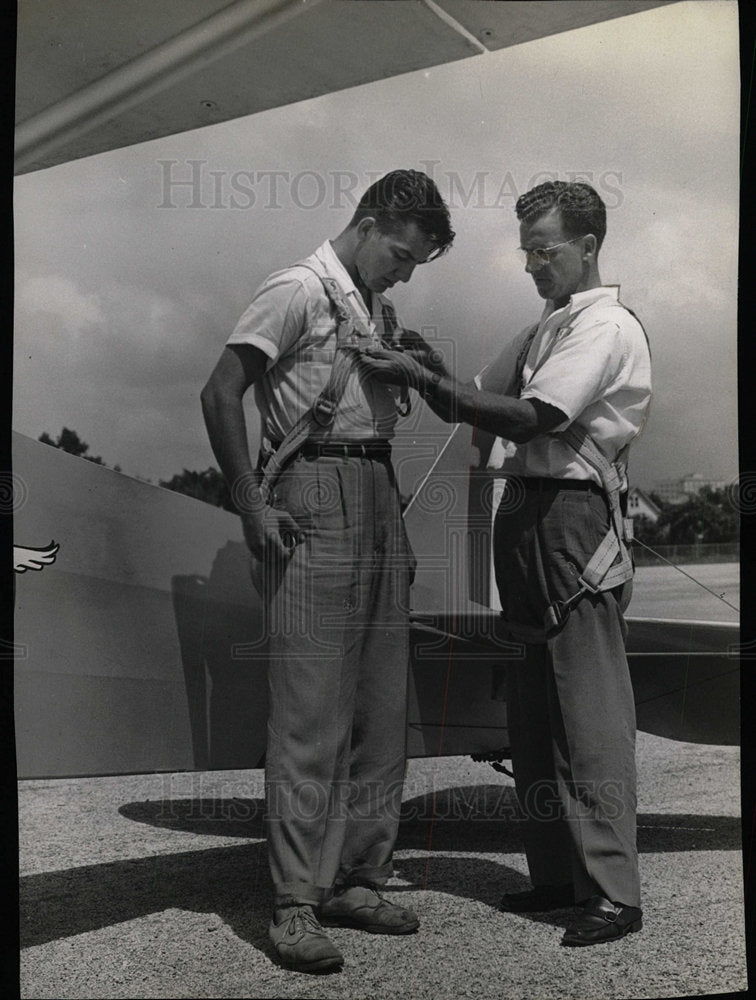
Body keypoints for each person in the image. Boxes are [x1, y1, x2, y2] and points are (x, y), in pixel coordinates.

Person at [357, 180, 651, 947]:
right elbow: (476, 393)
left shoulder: (606, 326)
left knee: (587, 712)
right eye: (525, 252)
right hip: (524, 513)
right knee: (533, 711)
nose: (531, 265)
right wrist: (415, 352)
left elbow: (532, 416)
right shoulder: (542, 329)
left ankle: (615, 893)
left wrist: (424, 380)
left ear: (587, 247)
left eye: (544, 251)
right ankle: (557, 878)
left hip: (572, 517)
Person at [201, 170, 454, 972]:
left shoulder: (373, 306)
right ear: (372, 222)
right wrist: (249, 504)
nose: (407, 273)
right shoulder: (296, 288)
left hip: (379, 488)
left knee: (382, 711)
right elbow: (220, 393)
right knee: (310, 716)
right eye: (404, 255)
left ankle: (359, 876)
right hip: (310, 487)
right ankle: (295, 902)